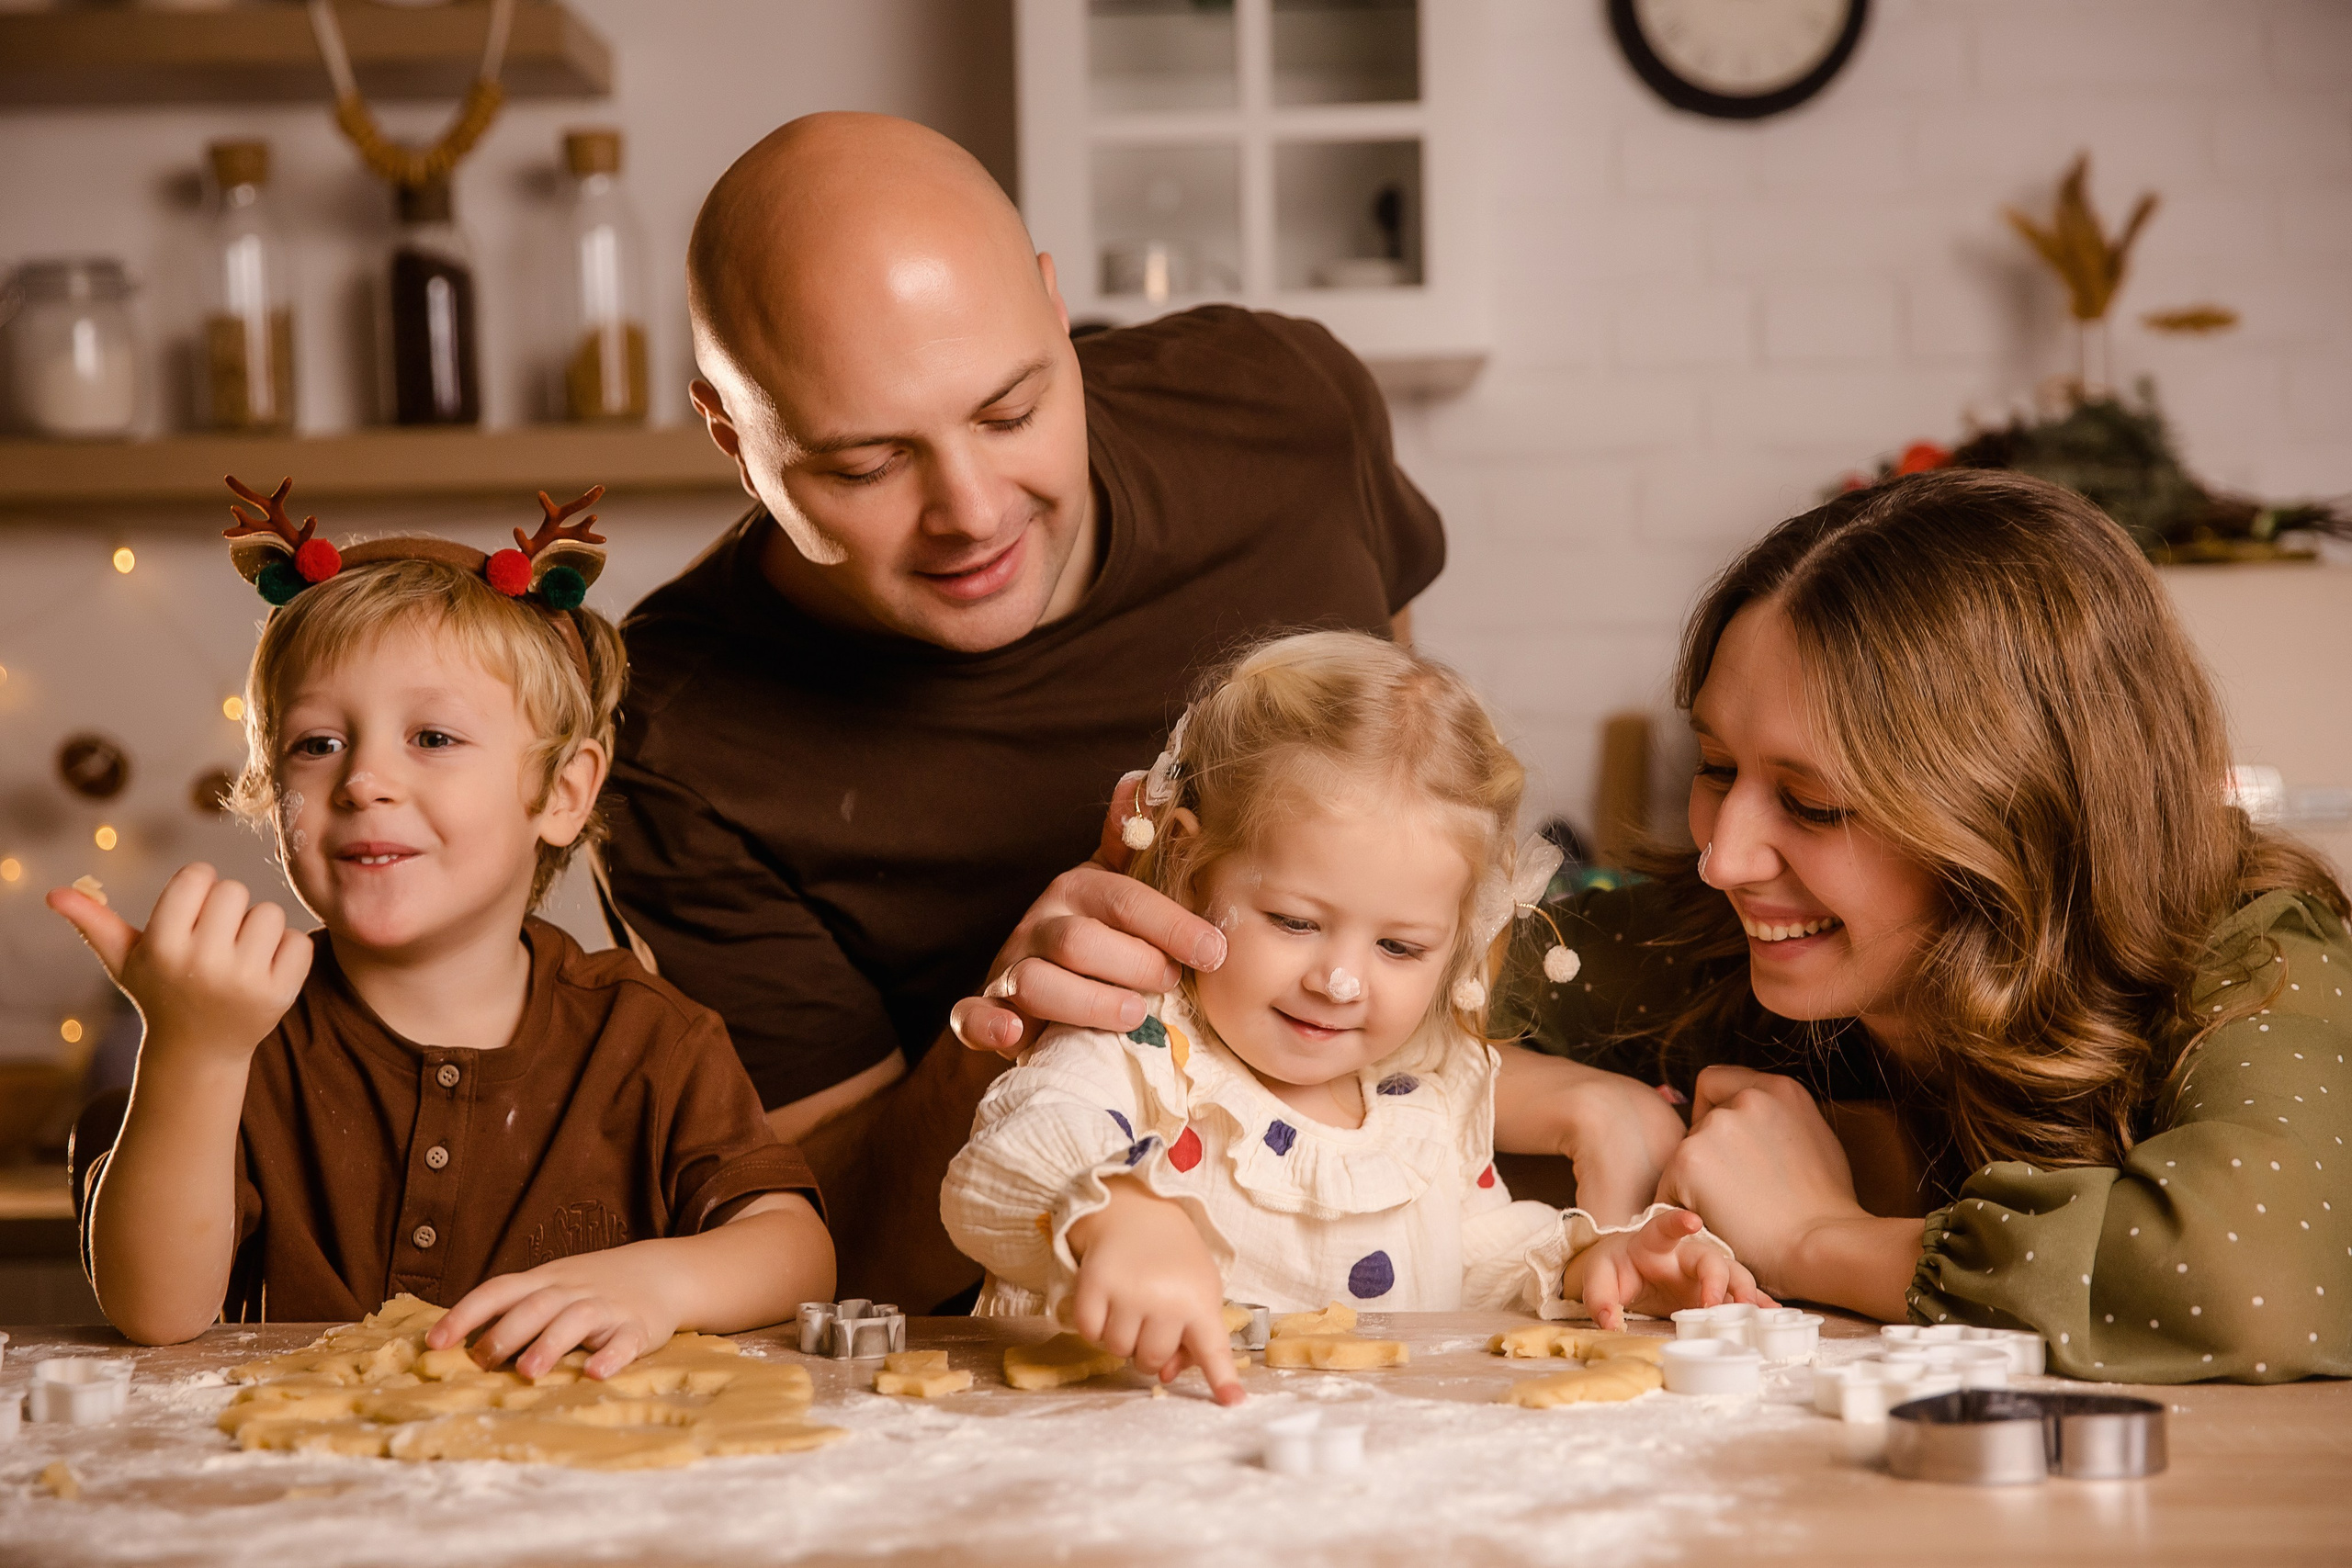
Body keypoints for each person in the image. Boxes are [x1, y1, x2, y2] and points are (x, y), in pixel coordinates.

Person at [603, 111, 1472, 1308]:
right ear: (733, 438)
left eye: (1010, 411)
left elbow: (1414, 788)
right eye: (867, 465)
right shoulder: (677, 733)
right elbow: (838, 1265)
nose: (970, 508)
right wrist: (998, 1028)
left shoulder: (1287, 409)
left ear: (1056, 309)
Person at [1493, 468, 2350, 1382]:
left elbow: (2251, 1281)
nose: (1725, 857)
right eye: (1714, 767)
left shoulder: (2255, 953)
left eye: (1811, 803)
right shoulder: (1711, 935)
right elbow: (1385, 981)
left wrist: (1819, 1237)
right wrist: (1598, 1109)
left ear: (2020, 812)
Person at [49, 479, 833, 1378]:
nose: (365, 781)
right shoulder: (245, 1035)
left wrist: (657, 1284)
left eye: (432, 738)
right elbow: (157, 1313)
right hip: (307, 1492)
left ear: (562, 792)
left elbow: (799, 1251)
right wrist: (195, 1049)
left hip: (582, 1497)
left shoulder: (651, 1039)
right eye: (317, 744)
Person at [943, 632, 1765, 1398]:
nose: (1340, 981)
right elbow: (1006, 1156)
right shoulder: (1142, 1046)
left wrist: (1601, 1263)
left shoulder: (1426, 1095)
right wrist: (1117, 1216)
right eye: (1296, 923)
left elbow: (1471, 1256)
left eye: (1401, 948)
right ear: (1193, 870)